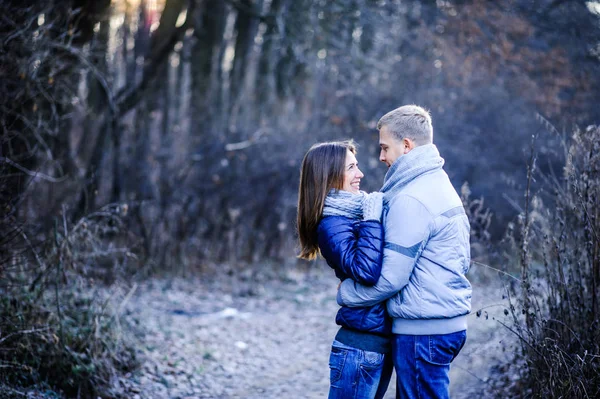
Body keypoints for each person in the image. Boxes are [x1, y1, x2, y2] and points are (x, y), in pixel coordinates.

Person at [337, 105, 472, 399]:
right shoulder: (437, 183)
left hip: (424, 331)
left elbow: (390, 279)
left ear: (407, 145)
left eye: (385, 147)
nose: (381, 156)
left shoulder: (412, 198)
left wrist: (346, 294)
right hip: (440, 324)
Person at [297, 140, 393, 399]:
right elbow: (367, 271)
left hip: (376, 344)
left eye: (357, 166)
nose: (360, 174)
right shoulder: (331, 225)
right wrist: (372, 220)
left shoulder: (352, 215)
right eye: (351, 168)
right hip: (359, 348)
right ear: (328, 175)